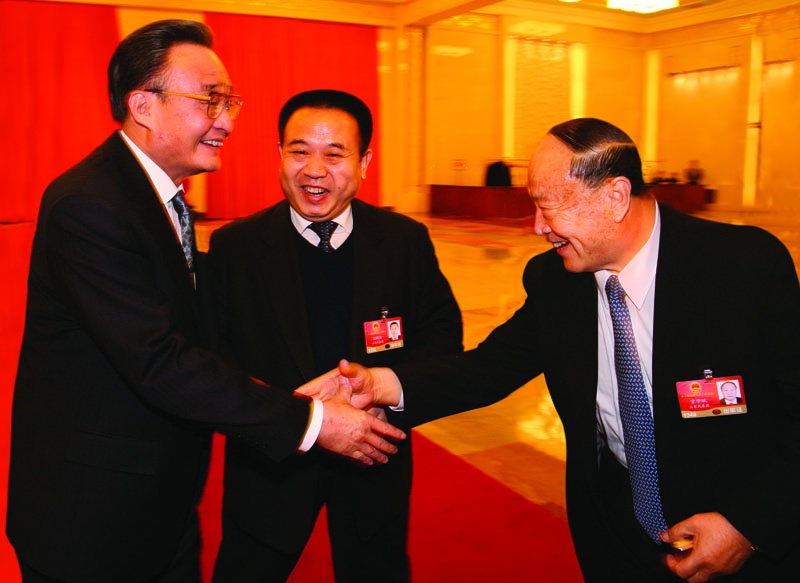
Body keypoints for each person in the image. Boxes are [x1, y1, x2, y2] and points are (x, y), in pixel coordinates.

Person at [309, 118, 800, 582]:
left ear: (615, 197)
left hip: (741, 535)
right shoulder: (557, 282)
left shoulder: (744, 267)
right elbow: (488, 369)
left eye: (549, 207)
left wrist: (750, 524)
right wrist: (379, 383)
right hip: (616, 536)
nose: (538, 227)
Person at [6, 22, 403, 583]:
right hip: (92, 511)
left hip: (158, 499)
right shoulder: (91, 205)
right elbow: (159, 360)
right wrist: (312, 420)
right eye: (209, 101)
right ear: (144, 106)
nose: (227, 121)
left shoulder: (160, 196)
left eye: (229, 102)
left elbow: (199, 333)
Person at [208, 89, 462, 583]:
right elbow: (215, 357)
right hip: (272, 463)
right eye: (299, 151)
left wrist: (387, 399)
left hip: (374, 453)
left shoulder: (403, 241)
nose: (314, 170)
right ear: (279, 155)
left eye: (334, 154)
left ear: (364, 162)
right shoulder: (235, 247)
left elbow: (442, 340)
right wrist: (286, 418)